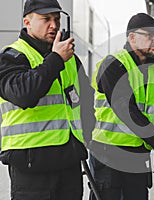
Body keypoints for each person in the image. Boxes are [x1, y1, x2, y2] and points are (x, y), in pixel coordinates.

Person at [0, 0, 94, 199]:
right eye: (46, 19)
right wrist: (56, 59)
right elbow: (24, 94)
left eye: (57, 19)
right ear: (27, 22)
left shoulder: (70, 59)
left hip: (69, 163)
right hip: (32, 166)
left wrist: (87, 134)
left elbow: (86, 97)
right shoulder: (12, 57)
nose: (54, 25)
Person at [88, 13, 154, 200]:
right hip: (109, 153)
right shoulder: (113, 64)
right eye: (150, 35)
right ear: (132, 37)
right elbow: (126, 109)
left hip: (138, 155)